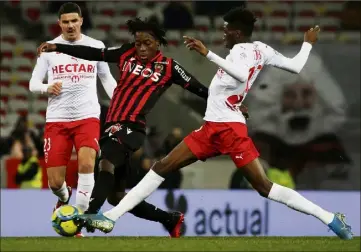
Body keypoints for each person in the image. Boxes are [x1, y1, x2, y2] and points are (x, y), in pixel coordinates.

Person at [80, 7, 353, 240]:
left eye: (225, 29)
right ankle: (111, 217)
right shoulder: (262, 49)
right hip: (212, 126)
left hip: (229, 129)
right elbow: (294, 66)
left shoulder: (239, 52)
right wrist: (308, 43)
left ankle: (329, 218)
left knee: (264, 186)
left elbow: (241, 73)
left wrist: (207, 53)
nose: (222, 33)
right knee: (162, 166)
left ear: (235, 31)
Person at [38, 17, 230, 237]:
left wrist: (230, 104)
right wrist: (58, 47)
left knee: (106, 162)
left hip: (132, 128)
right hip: (113, 125)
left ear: (158, 43)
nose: (141, 47)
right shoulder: (126, 53)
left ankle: (91, 212)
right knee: (117, 197)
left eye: (147, 43)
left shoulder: (168, 67)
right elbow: (95, 54)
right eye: (138, 43)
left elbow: (200, 89)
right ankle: (170, 219)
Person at [29, 2, 117, 237]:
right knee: (55, 183)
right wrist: (47, 87)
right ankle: (64, 199)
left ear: (81, 21)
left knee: (87, 165)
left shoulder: (95, 46)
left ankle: (77, 218)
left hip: (87, 116)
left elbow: (107, 80)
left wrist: (121, 106)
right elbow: (33, 83)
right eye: (65, 22)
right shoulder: (49, 50)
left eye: (73, 21)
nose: (70, 25)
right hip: (57, 120)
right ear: (59, 23)